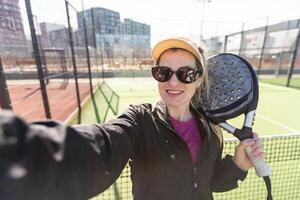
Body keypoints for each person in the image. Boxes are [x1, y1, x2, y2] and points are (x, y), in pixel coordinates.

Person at [0, 37, 264, 200]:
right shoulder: (140, 121)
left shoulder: (210, 129)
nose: (173, 81)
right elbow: (100, 145)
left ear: (199, 80)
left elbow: (209, 183)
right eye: (163, 72)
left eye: (186, 73)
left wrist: (237, 166)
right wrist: (16, 148)